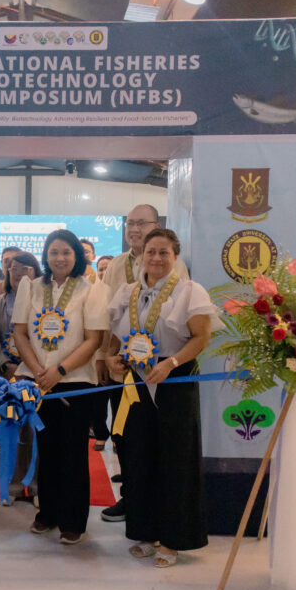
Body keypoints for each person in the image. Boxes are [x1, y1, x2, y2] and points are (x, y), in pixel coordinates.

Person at [105, 228, 216, 568]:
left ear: (175, 256)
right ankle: (146, 532)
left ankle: (173, 539)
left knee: (175, 461)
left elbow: (201, 337)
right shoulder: (127, 292)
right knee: (139, 458)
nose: (156, 258)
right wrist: (111, 358)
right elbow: (115, 336)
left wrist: (172, 363)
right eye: (150, 251)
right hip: (136, 382)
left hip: (174, 381)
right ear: (141, 255)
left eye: (164, 252)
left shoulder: (189, 291)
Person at [12, 229, 110, 544]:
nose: (60, 258)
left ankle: (73, 520)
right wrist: (38, 371)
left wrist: (61, 369)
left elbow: (93, 339)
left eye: (66, 252)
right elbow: (20, 332)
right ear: (46, 255)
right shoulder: (31, 287)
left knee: (73, 454)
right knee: (47, 450)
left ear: (77, 255)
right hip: (39, 382)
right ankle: (48, 513)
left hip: (75, 383)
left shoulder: (91, 290)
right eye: (53, 252)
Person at [99, 205, 189, 522]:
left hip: (158, 372)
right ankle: (131, 498)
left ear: (156, 225)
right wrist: (106, 356)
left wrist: (170, 362)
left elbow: (182, 321)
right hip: (123, 369)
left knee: (157, 440)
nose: (134, 229)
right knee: (123, 434)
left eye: (141, 223)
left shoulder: (173, 264)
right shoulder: (117, 264)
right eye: (130, 223)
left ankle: (157, 503)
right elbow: (109, 317)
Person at [0, 250, 42, 496]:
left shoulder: (44, 301)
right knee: (9, 430)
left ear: (36, 271)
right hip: (7, 374)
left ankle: (37, 485)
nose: (19, 273)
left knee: (35, 431)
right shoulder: (0, 301)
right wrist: (4, 365)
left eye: (25, 269)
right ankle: (13, 485)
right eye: (14, 268)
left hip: (36, 374)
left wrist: (32, 367)